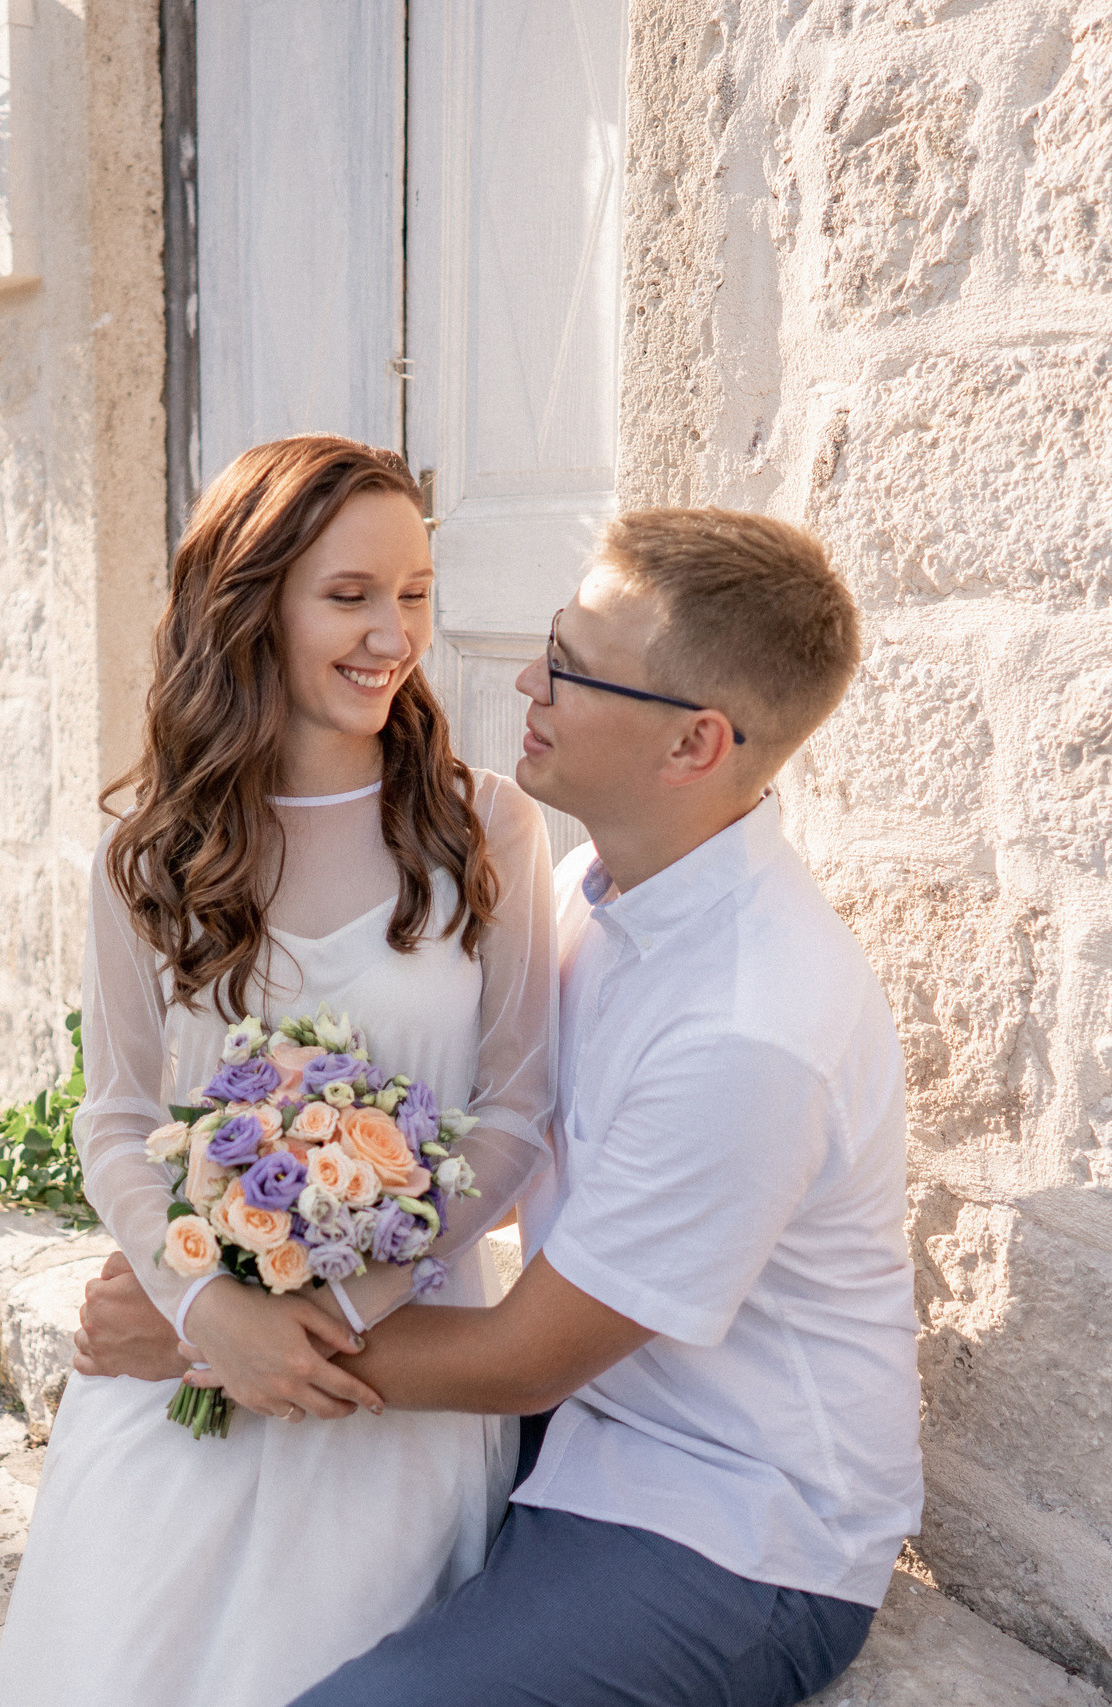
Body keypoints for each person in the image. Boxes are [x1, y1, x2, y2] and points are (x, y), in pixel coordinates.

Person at [76, 507, 923, 1707]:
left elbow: (526, 1360)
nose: (525, 675)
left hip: (724, 1514)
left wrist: (198, 1331)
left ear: (694, 747)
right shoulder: (590, 888)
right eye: (550, 638)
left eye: (571, 667)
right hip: (582, 1425)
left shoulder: (749, 1027)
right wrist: (216, 1274)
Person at [0, 436, 559, 1707]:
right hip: (191, 1375)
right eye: (348, 595)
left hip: (391, 1392)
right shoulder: (149, 859)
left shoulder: (484, 826)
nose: (391, 633)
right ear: (250, 605)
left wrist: (338, 1311)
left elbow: (517, 1114)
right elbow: (120, 1120)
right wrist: (207, 1313)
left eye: (411, 592)